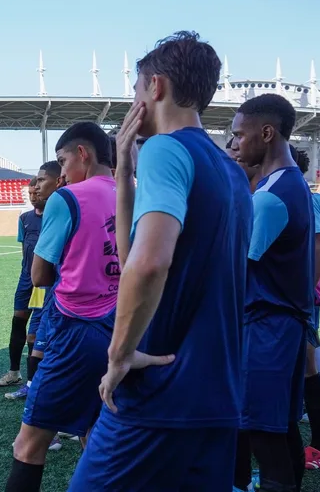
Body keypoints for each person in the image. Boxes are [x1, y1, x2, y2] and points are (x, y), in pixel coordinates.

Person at [69, 32, 252, 491]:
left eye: (135, 89)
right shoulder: (229, 168)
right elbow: (134, 256)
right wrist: (125, 177)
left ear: (156, 87)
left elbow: (149, 264)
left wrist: (119, 354)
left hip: (160, 393)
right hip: (218, 394)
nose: (132, 101)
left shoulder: (168, 149)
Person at [5, 122, 119, 491]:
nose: (63, 171)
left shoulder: (67, 197)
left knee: (28, 444)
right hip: (123, 326)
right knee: (97, 436)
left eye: (63, 161)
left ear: (82, 154)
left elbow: (40, 274)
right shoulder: (132, 193)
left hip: (75, 327)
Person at [228, 93, 320, 492]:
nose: (234, 144)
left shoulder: (268, 197)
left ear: (266, 133)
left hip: (267, 330)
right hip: (284, 327)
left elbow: (235, 271)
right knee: (281, 431)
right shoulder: (290, 184)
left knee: (266, 441)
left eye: (238, 135)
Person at [288, 147, 320, 472]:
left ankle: (317, 446)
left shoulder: (294, 192)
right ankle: (319, 445)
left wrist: (305, 288)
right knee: (307, 357)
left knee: (304, 362)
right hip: (298, 296)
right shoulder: (300, 192)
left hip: (291, 298)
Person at [4, 161, 63, 401]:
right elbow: (26, 252)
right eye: (32, 188)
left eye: (39, 183)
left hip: (50, 285)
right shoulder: (26, 218)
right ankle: (20, 376)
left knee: (41, 335)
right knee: (27, 328)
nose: (35, 192)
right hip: (30, 280)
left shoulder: (58, 211)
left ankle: (39, 386)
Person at [0, 178, 41, 388]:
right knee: (17, 322)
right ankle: (14, 372)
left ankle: (34, 380)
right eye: (30, 194)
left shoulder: (54, 216)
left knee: (35, 332)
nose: (32, 197)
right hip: (25, 280)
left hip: (44, 282)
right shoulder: (24, 219)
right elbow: (25, 250)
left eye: (36, 193)